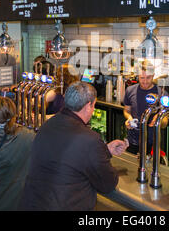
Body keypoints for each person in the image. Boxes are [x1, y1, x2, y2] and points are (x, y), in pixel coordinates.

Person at [19, 81, 128, 211]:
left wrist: (105, 150)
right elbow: (107, 184)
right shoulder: (89, 139)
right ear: (88, 106)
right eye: (94, 106)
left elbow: (66, 156)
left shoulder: (48, 124)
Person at [123, 61, 167, 155]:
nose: (145, 81)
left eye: (148, 77)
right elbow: (126, 110)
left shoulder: (161, 94)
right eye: (142, 78)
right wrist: (129, 118)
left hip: (152, 142)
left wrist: (158, 119)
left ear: (153, 75)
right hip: (132, 140)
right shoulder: (130, 90)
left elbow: (165, 123)